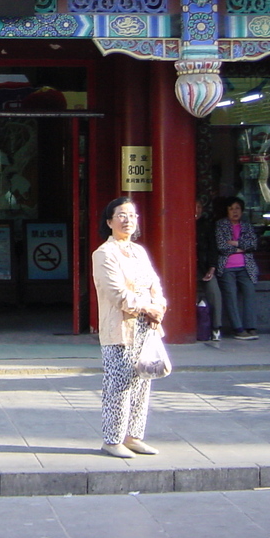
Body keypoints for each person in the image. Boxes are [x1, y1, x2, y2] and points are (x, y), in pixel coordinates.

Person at [92, 196, 166, 459]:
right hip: (119, 330)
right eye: (121, 215)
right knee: (119, 386)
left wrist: (160, 306)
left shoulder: (139, 251)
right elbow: (117, 294)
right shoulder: (103, 254)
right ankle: (112, 440)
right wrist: (149, 308)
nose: (128, 220)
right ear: (109, 221)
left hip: (146, 329)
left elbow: (155, 284)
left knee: (142, 384)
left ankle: (134, 437)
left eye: (132, 215)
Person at [215, 196, 259, 340]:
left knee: (250, 294)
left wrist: (234, 243)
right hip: (227, 266)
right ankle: (238, 328)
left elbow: (253, 244)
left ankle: (250, 326)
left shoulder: (247, 225)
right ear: (227, 211)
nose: (235, 211)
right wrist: (240, 247)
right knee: (231, 296)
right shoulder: (221, 225)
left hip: (246, 266)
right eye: (231, 208)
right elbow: (221, 246)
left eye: (237, 208)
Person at [195, 196, 222, 341]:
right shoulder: (181, 223)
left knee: (214, 292)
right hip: (187, 270)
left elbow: (213, 248)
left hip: (204, 267)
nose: (196, 211)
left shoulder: (207, 225)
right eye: (194, 207)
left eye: (199, 207)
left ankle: (216, 327)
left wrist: (212, 267)